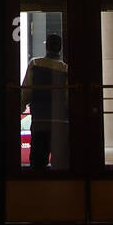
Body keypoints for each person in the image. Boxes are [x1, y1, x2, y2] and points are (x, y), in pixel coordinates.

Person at [21, 33, 69, 170]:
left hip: (40, 120)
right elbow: (67, 97)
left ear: (46, 46)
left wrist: (21, 105)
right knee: (60, 163)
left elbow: (26, 91)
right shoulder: (65, 68)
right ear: (60, 48)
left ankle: (38, 188)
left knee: (38, 160)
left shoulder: (35, 64)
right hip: (61, 123)